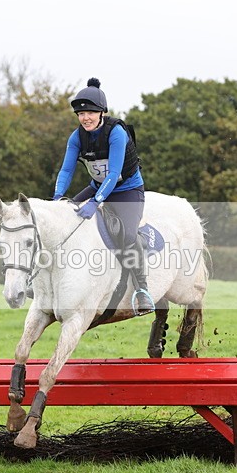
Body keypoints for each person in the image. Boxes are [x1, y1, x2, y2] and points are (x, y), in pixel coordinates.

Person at [52, 77, 154, 316]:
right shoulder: (76, 137)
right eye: (80, 114)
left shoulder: (116, 132)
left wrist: (96, 201)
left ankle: (143, 290)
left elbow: (116, 173)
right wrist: (58, 198)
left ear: (101, 112)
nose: (85, 117)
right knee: (62, 223)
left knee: (128, 235)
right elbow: (66, 170)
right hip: (97, 186)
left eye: (90, 112)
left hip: (127, 191)